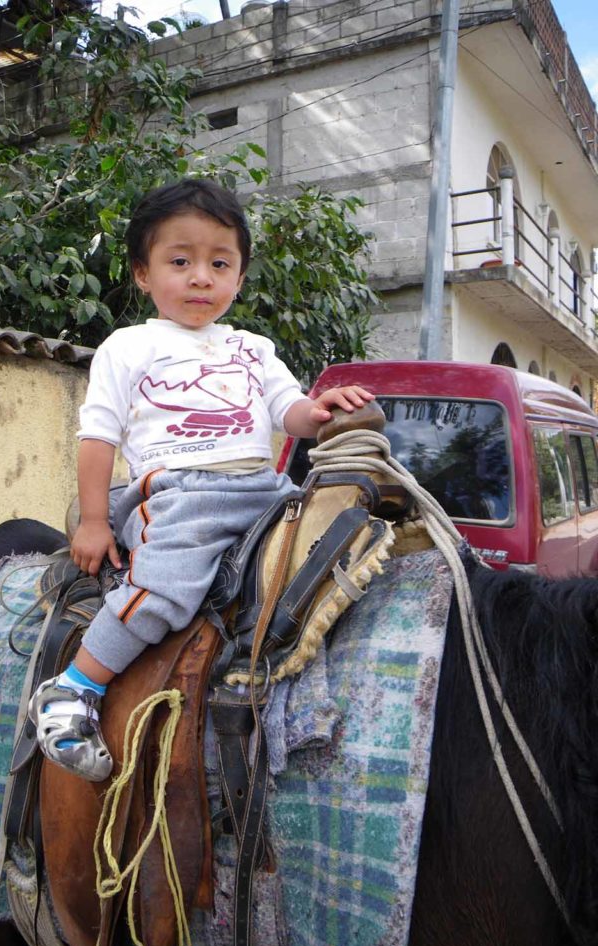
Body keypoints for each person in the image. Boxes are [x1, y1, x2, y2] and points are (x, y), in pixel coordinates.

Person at [29, 178, 373, 780]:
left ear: (238, 278)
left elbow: (287, 409)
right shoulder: (129, 346)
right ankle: (74, 687)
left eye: (220, 263)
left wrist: (319, 411)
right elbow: (99, 436)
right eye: (179, 261)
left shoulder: (251, 347)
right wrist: (91, 520)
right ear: (143, 273)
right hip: (179, 495)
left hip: (263, 491)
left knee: (343, 542)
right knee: (170, 586)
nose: (200, 278)